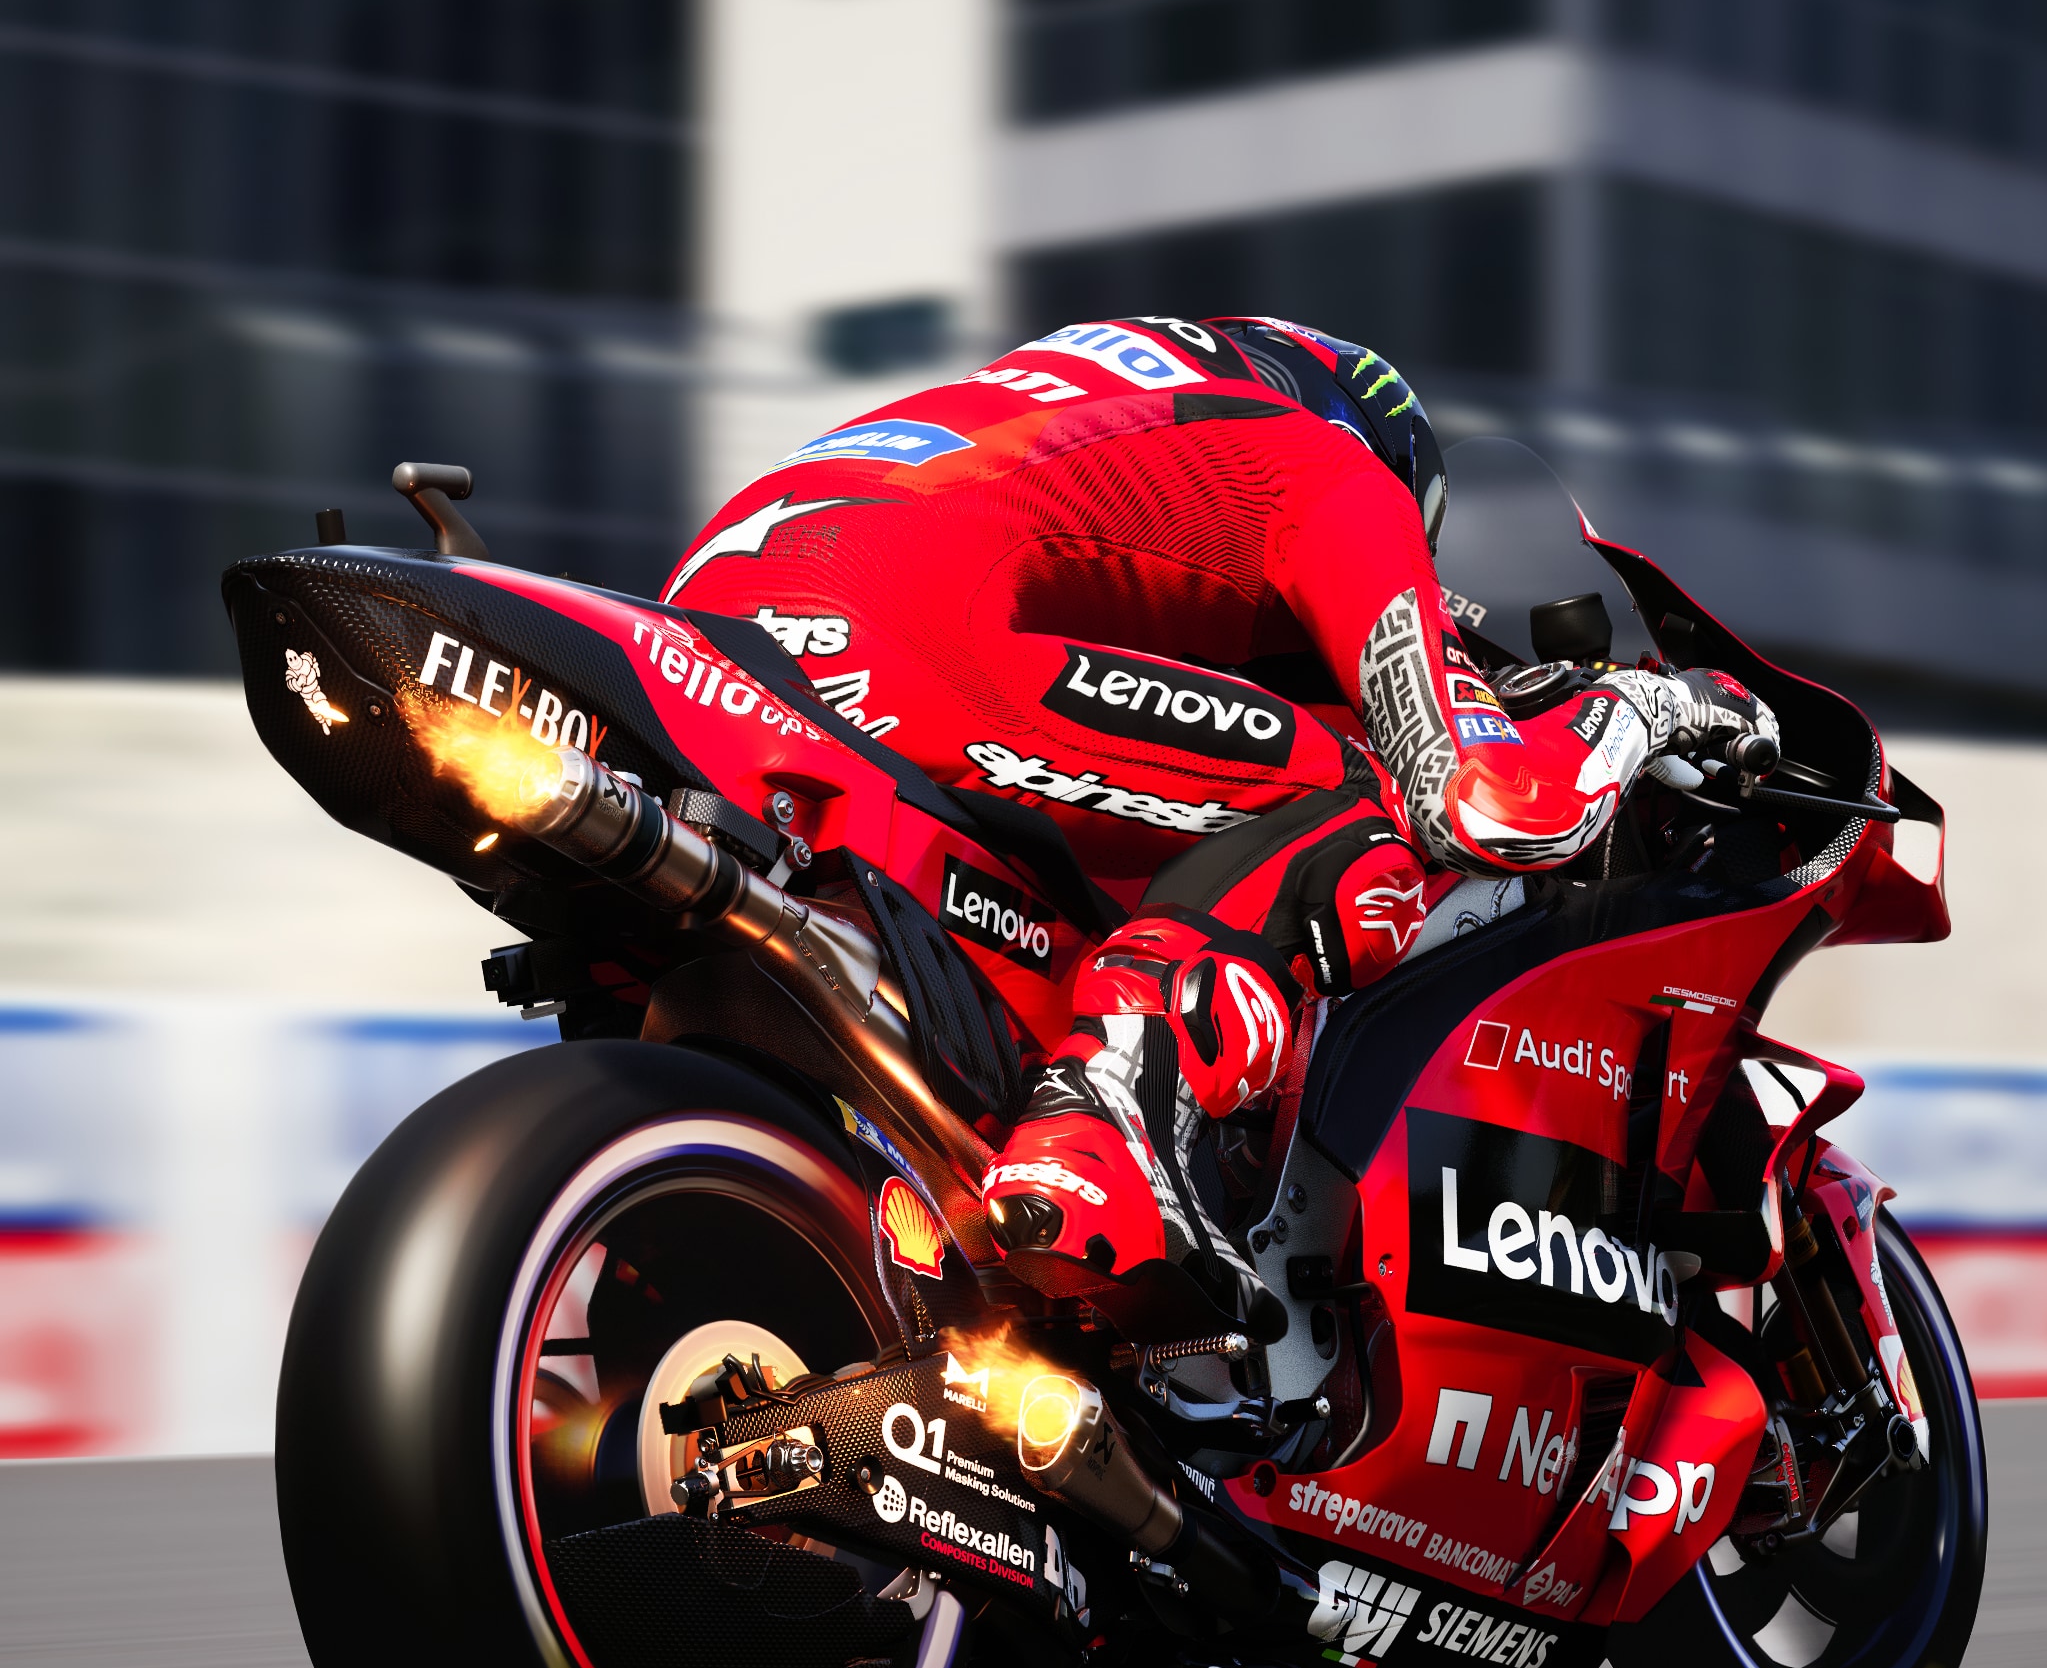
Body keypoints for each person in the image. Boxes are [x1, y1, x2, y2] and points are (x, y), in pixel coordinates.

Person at [665, 314, 1778, 1309]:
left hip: (712, 650)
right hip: (899, 638)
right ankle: (1101, 1123)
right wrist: (1652, 706)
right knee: (1361, 797)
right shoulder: (1326, 466)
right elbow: (1489, 804)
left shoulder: (1045, 427)